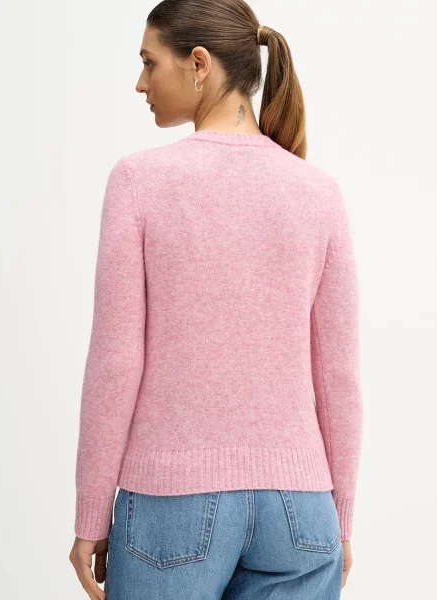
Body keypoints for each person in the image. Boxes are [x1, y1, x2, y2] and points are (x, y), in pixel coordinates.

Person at [68, 1, 364, 598]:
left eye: (150, 63)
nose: (141, 83)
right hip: (302, 511)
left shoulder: (138, 182)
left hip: (171, 505)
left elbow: (116, 362)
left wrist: (91, 516)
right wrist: (340, 521)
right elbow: (339, 377)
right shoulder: (319, 193)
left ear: (199, 63)